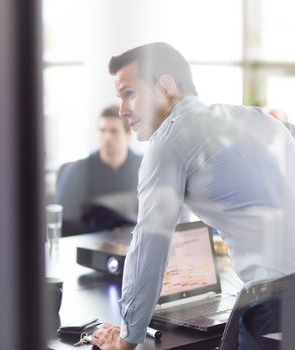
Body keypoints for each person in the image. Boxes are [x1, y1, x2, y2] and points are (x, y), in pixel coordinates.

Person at [91, 43, 295, 350]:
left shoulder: (169, 141)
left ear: (166, 85)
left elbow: (149, 246)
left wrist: (125, 340)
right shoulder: (256, 118)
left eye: (129, 93)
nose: (122, 110)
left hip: (278, 308)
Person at [55, 105, 142, 236]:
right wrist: (107, 234)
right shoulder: (79, 170)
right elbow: (63, 222)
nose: (107, 137)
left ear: (128, 134)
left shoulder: (144, 167)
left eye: (113, 131)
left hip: (136, 245)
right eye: (102, 130)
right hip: (91, 246)